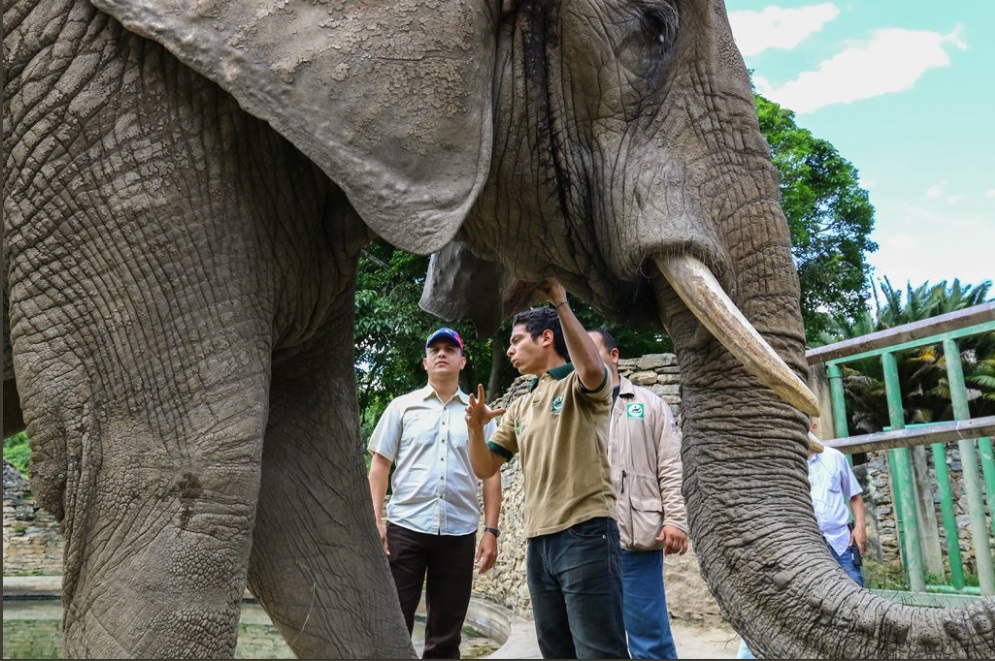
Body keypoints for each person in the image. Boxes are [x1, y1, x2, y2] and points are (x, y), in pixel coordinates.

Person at [464, 278, 630, 660]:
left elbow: (591, 366)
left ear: (546, 339)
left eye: (516, 340)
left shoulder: (579, 384)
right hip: (539, 542)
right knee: (556, 652)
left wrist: (560, 303)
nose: (509, 351)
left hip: (587, 533)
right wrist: (475, 429)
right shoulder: (521, 406)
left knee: (599, 652)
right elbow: (485, 466)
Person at [368, 327, 503, 659]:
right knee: (393, 624)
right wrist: (376, 520)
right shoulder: (402, 407)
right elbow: (380, 467)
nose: (442, 353)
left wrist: (491, 531)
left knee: (446, 635)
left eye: (450, 349)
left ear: (462, 360)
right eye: (435, 349)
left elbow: (491, 475)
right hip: (405, 530)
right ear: (426, 362)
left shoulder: (478, 415)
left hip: (458, 533)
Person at [589, 328, 689, 660]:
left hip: (635, 537)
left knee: (649, 637)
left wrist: (675, 518)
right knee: (596, 640)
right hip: (584, 542)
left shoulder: (650, 405)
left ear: (613, 356)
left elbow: (672, 467)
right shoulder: (578, 408)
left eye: (591, 349)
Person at [736, 431, 866, 659]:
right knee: (781, 603)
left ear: (812, 426)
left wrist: (860, 528)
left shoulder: (834, 457)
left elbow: (854, 496)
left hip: (840, 542)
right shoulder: (781, 465)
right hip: (800, 547)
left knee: (856, 600)